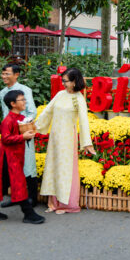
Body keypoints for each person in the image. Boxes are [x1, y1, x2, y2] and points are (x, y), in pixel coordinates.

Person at [35, 68, 96, 214]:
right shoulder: (60, 94)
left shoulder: (79, 99)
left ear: (75, 82)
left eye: (66, 81)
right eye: (63, 80)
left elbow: (84, 122)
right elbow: (47, 111)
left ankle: (66, 204)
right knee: (53, 167)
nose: (63, 84)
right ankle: (53, 202)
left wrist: (86, 143)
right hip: (55, 138)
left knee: (65, 170)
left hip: (68, 139)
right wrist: (35, 126)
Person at [0, 90, 45, 224]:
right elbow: (5, 139)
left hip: (15, 157)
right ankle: (28, 213)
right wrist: (22, 137)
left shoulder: (20, 118)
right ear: (12, 104)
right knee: (19, 183)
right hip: (9, 158)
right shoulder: (8, 120)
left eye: (24, 99)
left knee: (3, 185)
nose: (24, 102)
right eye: (21, 100)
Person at [0, 64, 38, 207]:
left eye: (7, 74)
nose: (4, 77)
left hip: (23, 133)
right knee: (12, 166)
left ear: (16, 75)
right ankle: (16, 197)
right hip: (10, 136)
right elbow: (5, 114)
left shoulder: (25, 90)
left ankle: (33, 198)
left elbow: (32, 112)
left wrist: (21, 128)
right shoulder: (3, 92)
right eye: (3, 74)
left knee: (28, 165)